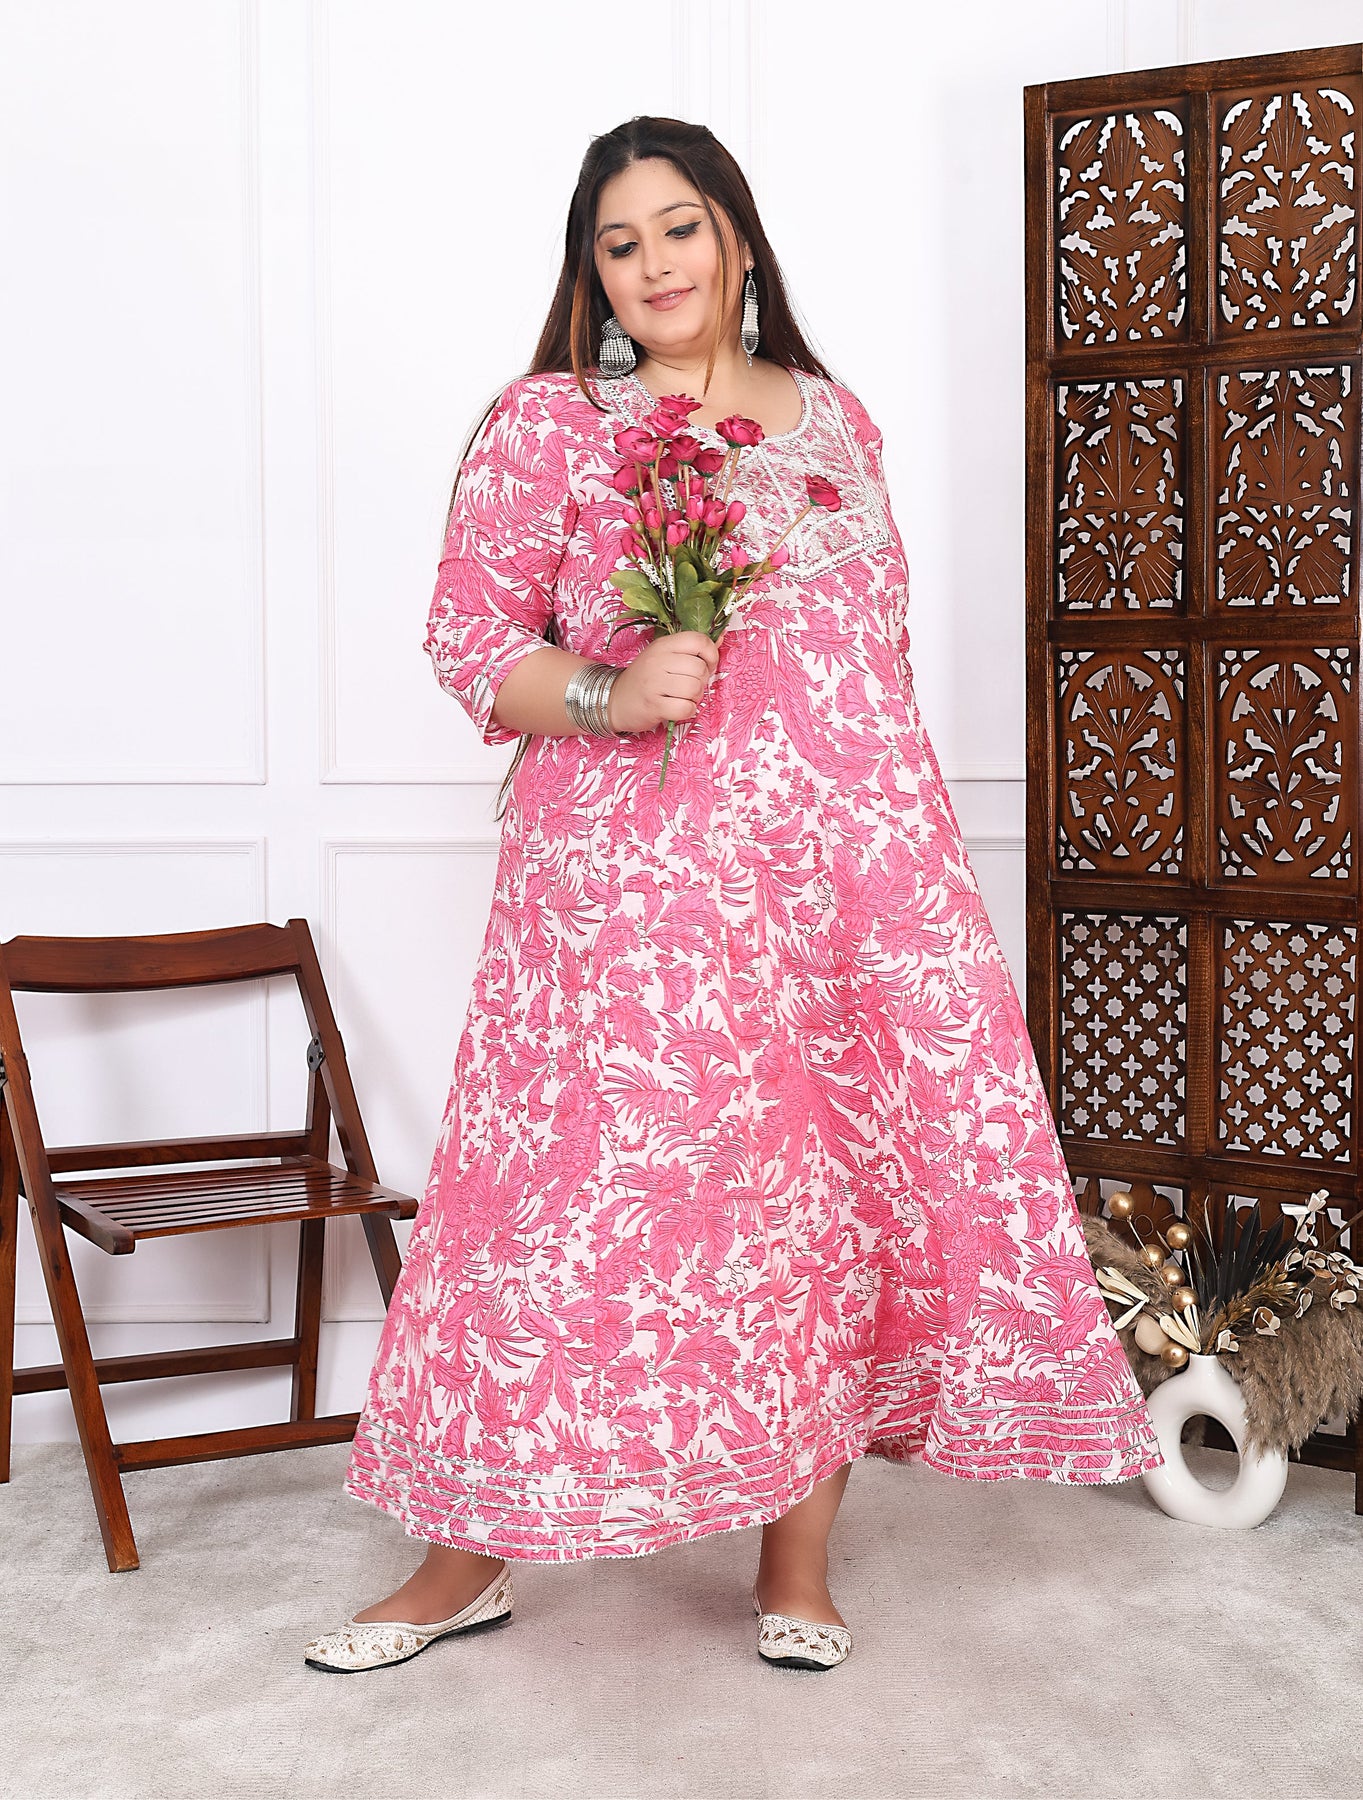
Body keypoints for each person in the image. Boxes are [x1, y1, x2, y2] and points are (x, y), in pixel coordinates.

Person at [303, 116, 1163, 1677]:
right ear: (592, 275)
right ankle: (467, 1558)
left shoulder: (836, 420)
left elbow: (874, 668)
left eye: (679, 228)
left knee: (818, 1212)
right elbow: (470, 642)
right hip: (628, 901)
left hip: (838, 895)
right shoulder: (555, 422)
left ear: (739, 238)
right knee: (566, 1210)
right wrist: (611, 693)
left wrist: (903, 878)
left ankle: (799, 1563)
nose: (655, 265)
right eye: (619, 243)